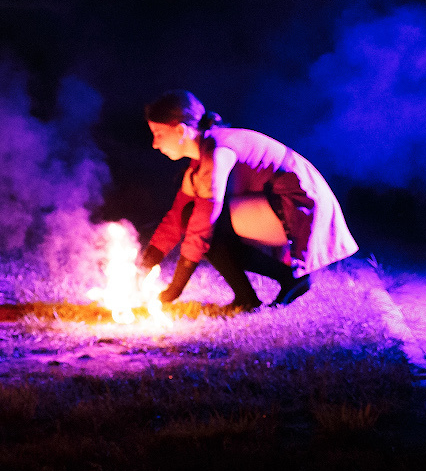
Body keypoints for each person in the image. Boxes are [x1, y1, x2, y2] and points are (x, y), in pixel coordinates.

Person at [139, 90, 357, 310]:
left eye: (158, 133)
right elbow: (176, 216)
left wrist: (175, 288)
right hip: (282, 205)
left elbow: (202, 222)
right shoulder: (201, 160)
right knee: (193, 217)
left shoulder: (218, 151)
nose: (155, 144)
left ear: (180, 130)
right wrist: (148, 261)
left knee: (205, 225)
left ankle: (255, 295)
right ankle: (280, 283)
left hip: (303, 208)